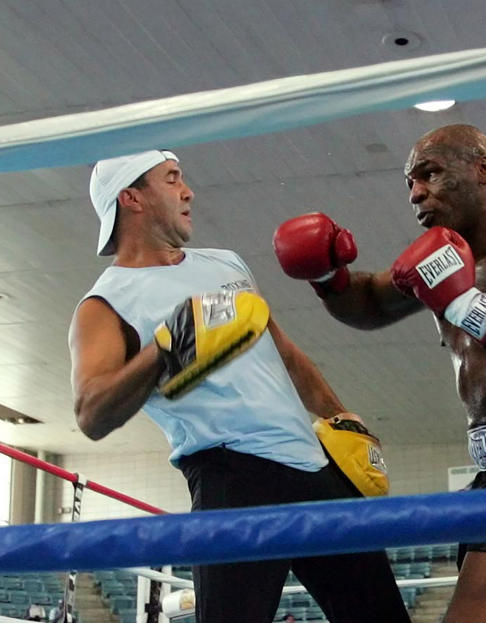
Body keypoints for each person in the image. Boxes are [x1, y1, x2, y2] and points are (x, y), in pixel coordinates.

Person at [273, 124, 486, 623]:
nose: (416, 192)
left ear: (483, 169)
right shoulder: (440, 259)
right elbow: (370, 304)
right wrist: (328, 276)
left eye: (429, 174)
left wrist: (463, 303)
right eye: (410, 183)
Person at [69, 149, 410, 623]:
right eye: (171, 181)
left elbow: (283, 352)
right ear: (131, 198)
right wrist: (167, 347)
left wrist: (342, 417)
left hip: (314, 466)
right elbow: (90, 413)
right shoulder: (105, 304)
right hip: (233, 476)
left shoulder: (225, 265)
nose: (187, 191)